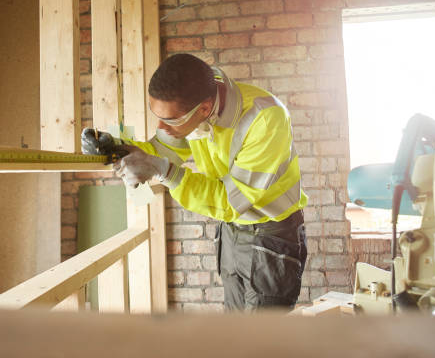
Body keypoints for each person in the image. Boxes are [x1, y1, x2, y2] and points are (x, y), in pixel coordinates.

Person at [81, 53, 308, 310]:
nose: (162, 127)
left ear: (204, 109)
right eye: (157, 116)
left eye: (170, 120)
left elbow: (231, 201)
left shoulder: (265, 118)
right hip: (232, 231)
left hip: (271, 234)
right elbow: (161, 152)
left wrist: (165, 173)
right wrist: (119, 148)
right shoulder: (193, 104)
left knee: (265, 342)